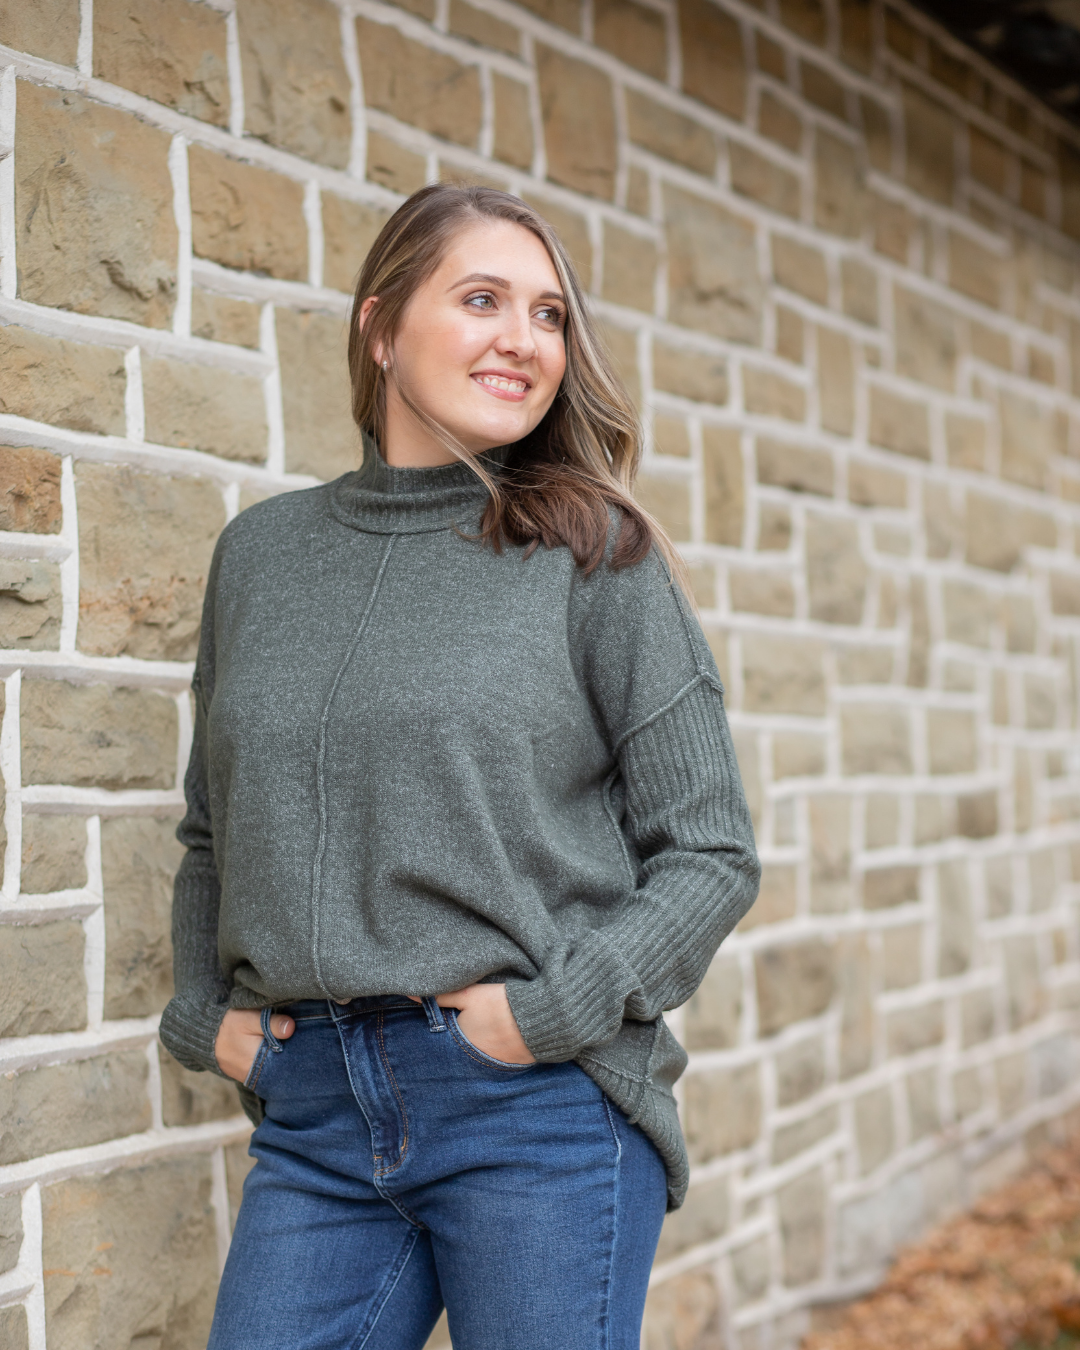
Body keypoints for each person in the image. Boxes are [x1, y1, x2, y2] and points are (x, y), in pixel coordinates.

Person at [160, 184, 760, 1350]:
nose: (523, 340)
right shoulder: (263, 558)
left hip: (532, 1110)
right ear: (381, 329)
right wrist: (203, 1016)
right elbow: (210, 833)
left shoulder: (597, 553)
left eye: (548, 316)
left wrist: (550, 1015)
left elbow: (710, 852)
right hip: (316, 1112)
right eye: (482, 299)